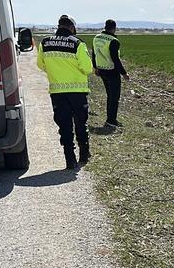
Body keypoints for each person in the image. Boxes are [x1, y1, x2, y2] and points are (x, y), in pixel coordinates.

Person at [36, 15, 93, 169]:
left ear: (58, 26)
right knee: (81, 123)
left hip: (57, 92)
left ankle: (70, 160)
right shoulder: (78, 44)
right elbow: (87, 68)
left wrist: (55, 71)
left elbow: (40, 64)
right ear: (72, 28)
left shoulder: (45, 43)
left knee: (64, 126)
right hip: (77, 92)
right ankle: (84, 154)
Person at [92, 19, 129, 127]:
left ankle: (110, 118)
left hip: (101, 71)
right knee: (114, 97)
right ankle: (111, 120)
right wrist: (124, 73)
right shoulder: (113, 41)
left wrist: (95, 67)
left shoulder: (96, 38)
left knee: (110, 95)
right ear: (114, 28)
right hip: (112, 72)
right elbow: (115, 59)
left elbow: (94, 54)